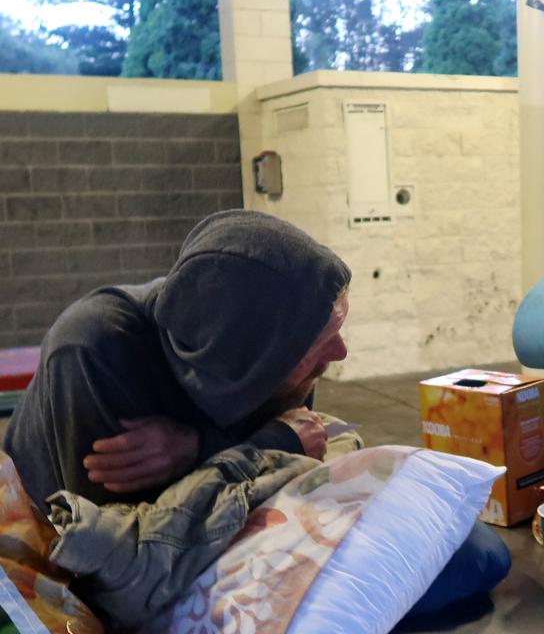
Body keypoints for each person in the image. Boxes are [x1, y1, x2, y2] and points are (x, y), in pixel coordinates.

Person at [4, 209, 357, 511]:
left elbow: (284, 478)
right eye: (321, 342)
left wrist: (195, 449)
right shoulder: (93, 350)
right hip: (41, 555)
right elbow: (121, 553)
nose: (340, 352)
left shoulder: (272, 355)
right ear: (251, 357)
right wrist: (272, 445)